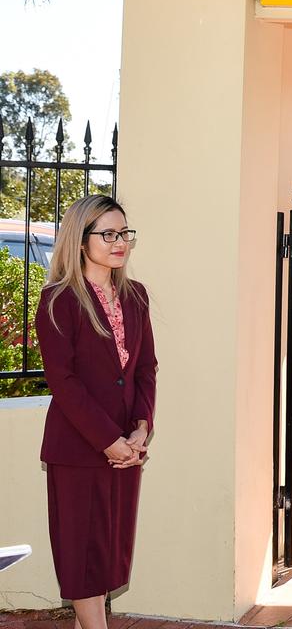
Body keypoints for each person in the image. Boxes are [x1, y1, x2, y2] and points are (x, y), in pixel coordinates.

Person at [36, 196, 157, 629]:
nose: (119, 241)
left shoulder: (136, 296)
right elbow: (63, 383)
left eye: (124, 232)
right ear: (80, 240)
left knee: (106, 559)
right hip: (80, 451)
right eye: (107, 233)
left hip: (128, 449)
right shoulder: (58, 301)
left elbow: (145, 368)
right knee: (84, 561)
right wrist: (110, 440)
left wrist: (142, 428)